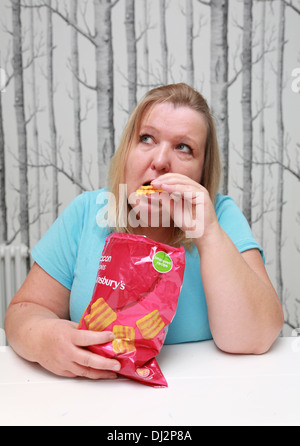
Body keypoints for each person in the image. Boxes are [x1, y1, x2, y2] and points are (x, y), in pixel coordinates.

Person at [4, 83, 284, 379]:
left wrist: (209, 234)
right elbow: (25, 310)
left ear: (202, 171)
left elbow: (256, 336)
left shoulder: (222, 216)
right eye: (147, 138)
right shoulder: (88, 212)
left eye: (183, 147)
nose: (161, 161)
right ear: (127, 151)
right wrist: (44, 339)